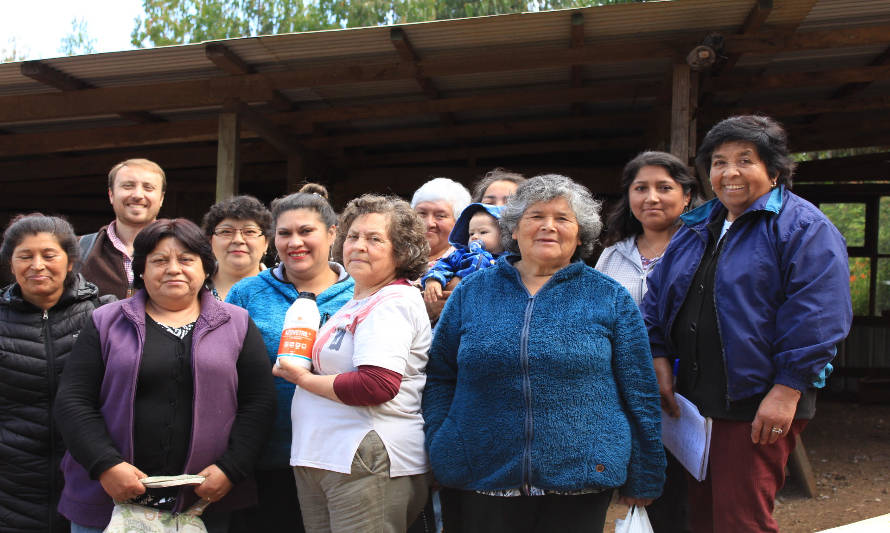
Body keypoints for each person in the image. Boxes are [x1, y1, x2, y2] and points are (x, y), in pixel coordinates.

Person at [643, 115, 853, 533]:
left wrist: (788, 388)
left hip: (757, 398)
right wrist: (658, 355)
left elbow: (819, 316)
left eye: (745, 160)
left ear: (773, 170)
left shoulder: (803, 227)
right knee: (699, 515)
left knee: (741, 519)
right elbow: (657, 297)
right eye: (719, 162)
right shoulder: (698, 225)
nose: (730, 172)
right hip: (695, 400)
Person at [424, 174, 666, 533]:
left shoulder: (609, 297)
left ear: (580, 234)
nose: (548, 227)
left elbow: (640, 389)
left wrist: (646, 471)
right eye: (536, 216)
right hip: (480, 471)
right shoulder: (472, 293)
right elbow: (441, 376)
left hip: (581, 477)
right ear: (515, 230)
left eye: (563, 219)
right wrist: (441, 442)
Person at [55, 218, 276, 533]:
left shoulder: (236, 323)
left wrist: (232, 468)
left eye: (186, 259)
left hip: (205, 501)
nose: (174, 268)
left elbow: (259, 402)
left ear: (205, 268)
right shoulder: (106, 322)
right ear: (142, 270)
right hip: (109, 497)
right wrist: (106, 466)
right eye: (159, 260)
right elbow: (73, 401)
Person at [274, 194, 432, 533]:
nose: (359, 246)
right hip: (329, 455)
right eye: (354, 237)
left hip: (364, 456)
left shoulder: (393, 301)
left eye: (375, 239)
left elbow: (375, 385)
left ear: (401, 251)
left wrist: (301, 378)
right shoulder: (359, 299)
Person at [226, 185, 355, 532]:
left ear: (332, 234)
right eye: (284, 233)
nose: (294, 242)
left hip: (340, 457)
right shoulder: (247, 292)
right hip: (266, 456)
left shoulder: (362, 290)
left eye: (306, 231)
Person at [596, 151, 703, 533]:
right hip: (627, 392)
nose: (651, 197)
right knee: (645, 487)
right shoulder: (612, 255)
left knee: (690, 486)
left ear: (687, 196)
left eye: (664, 187)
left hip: (689, 388)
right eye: (640, 188)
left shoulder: (703, 249)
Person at [0, 214, 115, 533]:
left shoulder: (103, 314)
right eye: (25, 256)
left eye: (49, 255)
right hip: (11, 484)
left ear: (69, 262)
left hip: (89, 477)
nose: (37, 265)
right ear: (12, 264)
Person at [80, 158, 166, 299]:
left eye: (148, 188)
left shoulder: (186, 251)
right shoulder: (79, 249)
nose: (138, 195)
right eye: (128, 186)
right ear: (111, 195)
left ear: (161, 198)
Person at [422, 202, 505, 304]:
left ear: (503, 235)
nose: (474, 237)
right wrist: (433, 280)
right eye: (471, 233)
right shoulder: (462, 255)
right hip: (461, 305)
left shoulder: (508, 261)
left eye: (483, 232)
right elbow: (443, 265)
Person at [201, 195, 272, 301]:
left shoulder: (284, 290)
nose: (238, 240)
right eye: (226, 232)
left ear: (266, 242)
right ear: (210, 241)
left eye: (249, 232)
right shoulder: (193, 288)